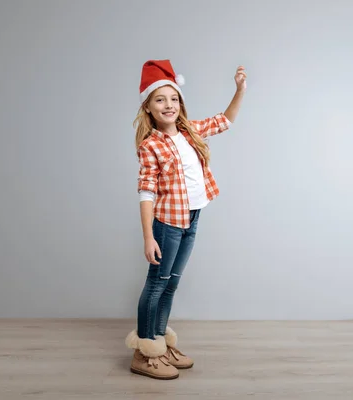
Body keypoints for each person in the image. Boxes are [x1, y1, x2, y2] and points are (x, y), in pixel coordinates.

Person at [124, 59, 246, 380]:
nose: (169, 105)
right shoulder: (152, 145)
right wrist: (148, 236)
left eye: (174, 98)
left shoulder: (189, 132)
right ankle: (144, 351)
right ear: (148, 107)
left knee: (173, 282)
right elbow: (146, 192)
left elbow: (225, 120)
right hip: (167, 224)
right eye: (160, 99)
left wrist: (239, 90)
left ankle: (160, 344)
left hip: (192, 218)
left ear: (181, 103)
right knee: (157, 283)